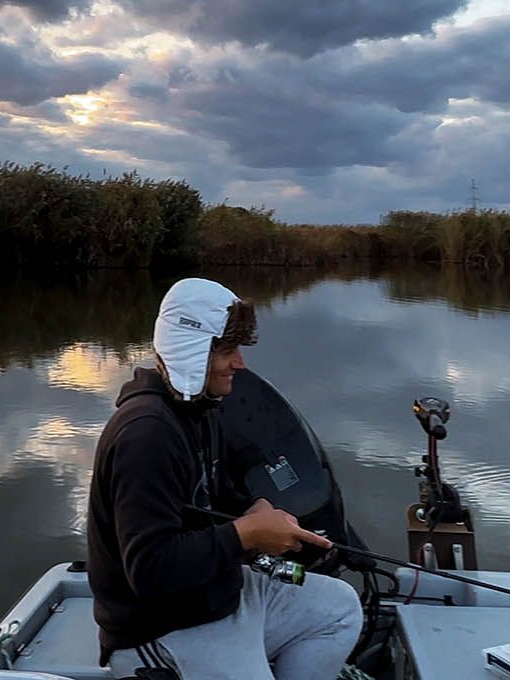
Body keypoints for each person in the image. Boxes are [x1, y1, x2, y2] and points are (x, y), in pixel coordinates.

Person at [87, 277, 363, 679]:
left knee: (340, 608)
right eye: (227, 350)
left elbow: (214, 504)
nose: (240, 364)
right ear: (191, 349)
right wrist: (246, 535)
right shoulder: (146, 436)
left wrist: (257, 512)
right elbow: (148, 569)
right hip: (162, 626)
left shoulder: (203, 410)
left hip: (219, 591)